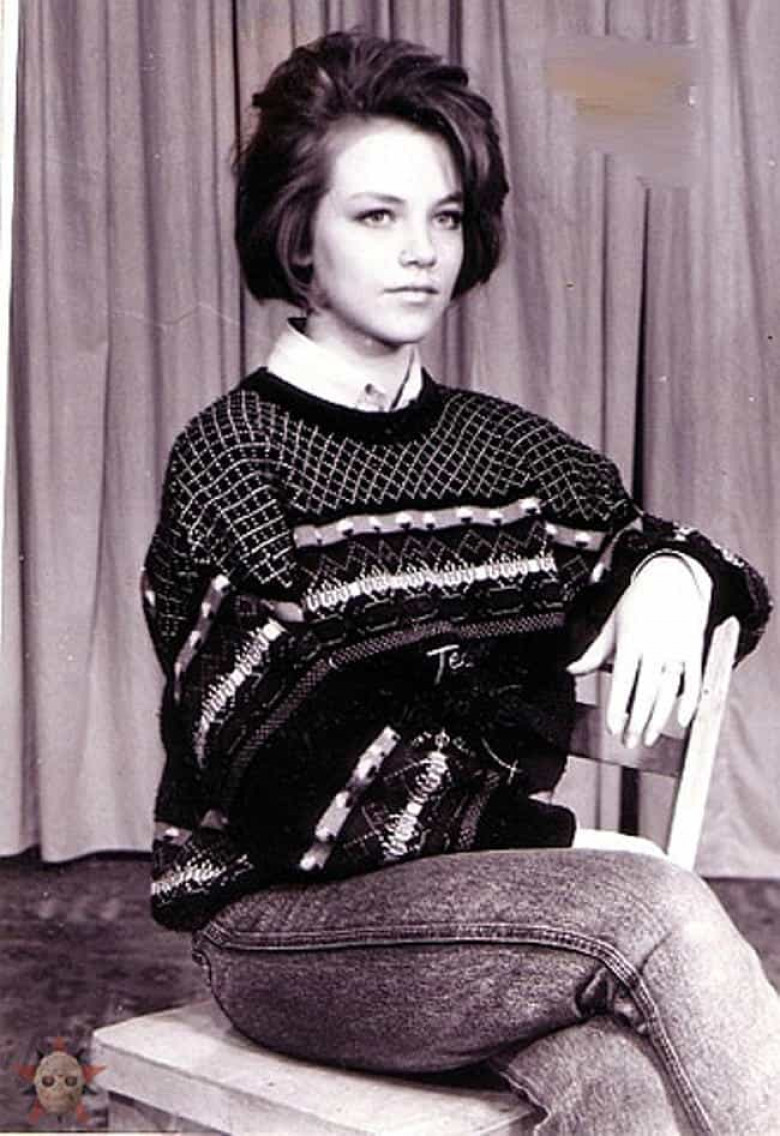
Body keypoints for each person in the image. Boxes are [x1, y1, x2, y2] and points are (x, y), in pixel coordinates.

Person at [141, 30, 778, 1135]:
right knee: (653, 912)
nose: (421, 252)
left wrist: (673, 572)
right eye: (375, 216)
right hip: (285, 931)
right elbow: (291, 782)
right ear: (298, 237)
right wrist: (559, 846)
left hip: (486, 924)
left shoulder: (509, 452)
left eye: (443, 217)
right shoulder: (233, 459)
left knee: (629, 1087)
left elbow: (709, 568)